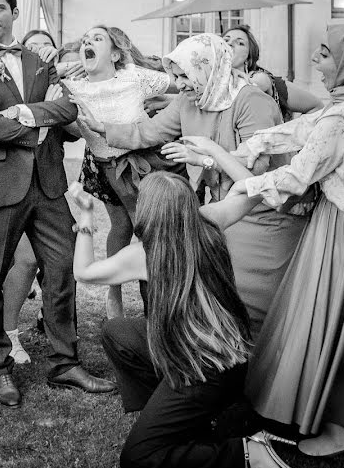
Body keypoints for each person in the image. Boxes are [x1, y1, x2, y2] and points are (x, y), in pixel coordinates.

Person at [231, 24, 344, 457]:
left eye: (324, 54)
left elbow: (297, 175)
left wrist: (244, 187)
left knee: (329, 315)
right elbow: (312, 125)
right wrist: (258, 141)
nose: (315, 61)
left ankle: (334, 428)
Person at [72, 173, 298, 468]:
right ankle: (174, 421)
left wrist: (87, 214)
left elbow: (83, 272)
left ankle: (247, 454)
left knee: (137, 459)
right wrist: (283, 175)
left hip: (203, 371)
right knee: (117, 332)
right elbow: (254, 193)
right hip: (228, 358)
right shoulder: (209, 220)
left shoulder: (144, 256)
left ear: (149, 211)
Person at [0, 0, 115, 407]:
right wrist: (40, 121)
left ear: (13, 12)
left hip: (47, 185)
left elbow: (69, 111)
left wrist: (24, 112)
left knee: (61, 271)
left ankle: (65, 363)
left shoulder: (39, 61)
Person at [81, 33, 308, 331]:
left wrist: (205, 158)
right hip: (223, 208)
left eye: (185, 76)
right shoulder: (190, 100)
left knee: (258, 301)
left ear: (207, 69)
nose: (181, 85)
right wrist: (104, 128)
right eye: (176, 77)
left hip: (263, 212)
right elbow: (149, 132)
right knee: (226, 292)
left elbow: (258, 173)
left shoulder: (251, 101)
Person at [65, 24, 184, 319]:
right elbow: (40, 80)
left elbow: (182, 85)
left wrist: (168, 102)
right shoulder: (72, 88)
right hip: (108, 166)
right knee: (128, 227)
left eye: (97, 38)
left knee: (154, 232)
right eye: (85, 40)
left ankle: (158, 307)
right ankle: (119, 294)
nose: (87, 42)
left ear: (116, 54)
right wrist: (66, 67)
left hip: (148, 158)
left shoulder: (134, 77)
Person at [223, 24, 323, 120]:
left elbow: (317, 106)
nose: (230, 43)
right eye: (225, 40)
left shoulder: (260, 79)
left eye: (240, 43)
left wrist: (290, 132)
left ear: (249, 58)